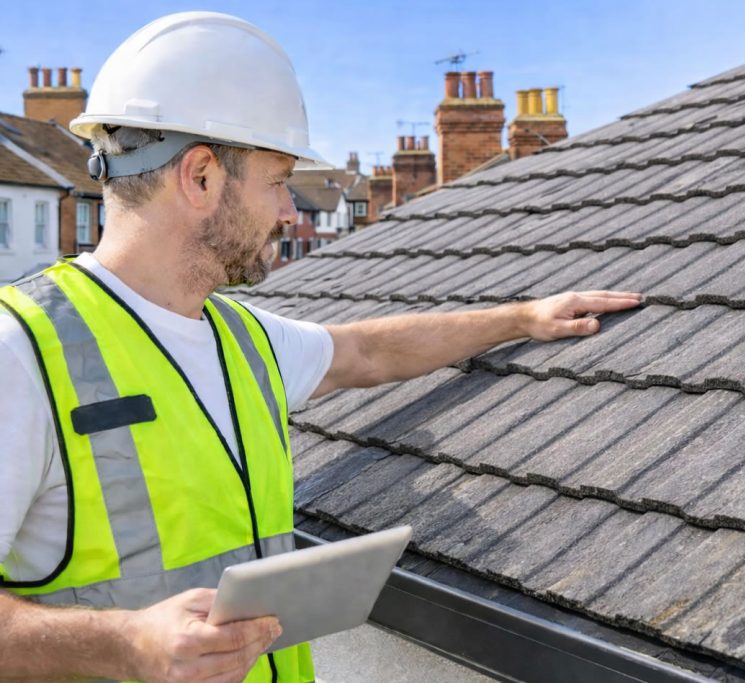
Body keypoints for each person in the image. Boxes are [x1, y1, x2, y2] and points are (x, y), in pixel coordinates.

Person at [0, 11, 641, 683]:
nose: (290, 212)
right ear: (200, 178)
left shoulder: (242, 340)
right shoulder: (25, 351)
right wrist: (123, 642)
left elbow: (367, 352)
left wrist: (522, 319)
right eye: (277, 181)